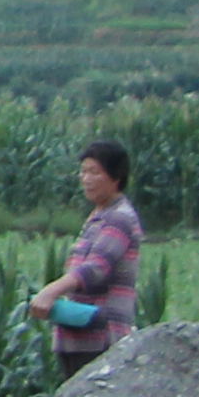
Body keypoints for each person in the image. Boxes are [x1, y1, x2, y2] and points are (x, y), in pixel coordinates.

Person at [21, 137, 147, 381]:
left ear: (116, 177)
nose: (86, 179)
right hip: (79, 336)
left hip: (101, 337)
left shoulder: (119, 218)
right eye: (83, 171)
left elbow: (96, 268)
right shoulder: (99, 216)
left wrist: (51, 291)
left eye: (94, 172)